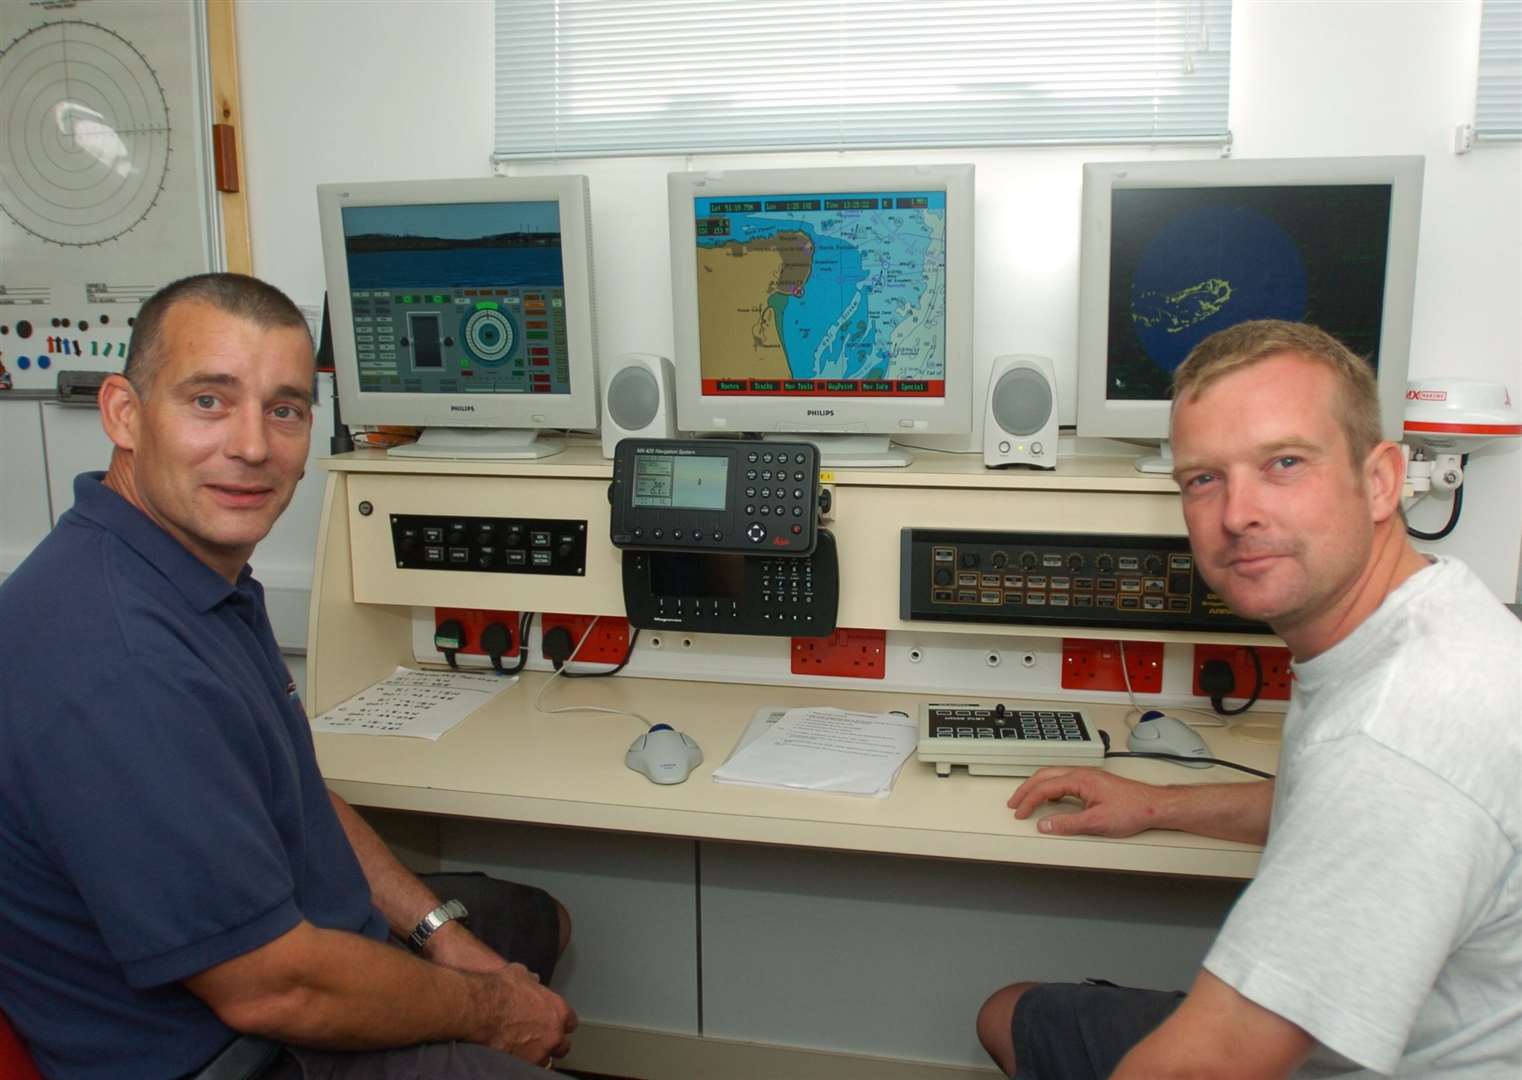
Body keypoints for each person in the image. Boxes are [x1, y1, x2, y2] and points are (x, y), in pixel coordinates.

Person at [0, 274, 579, 1079]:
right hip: (242, 1048)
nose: (252, 446)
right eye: (209, 400)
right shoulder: (120, 659)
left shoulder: (180, 570)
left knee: (533, 922)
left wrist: (444, 936)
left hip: (296, 950)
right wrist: (493, 1012)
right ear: (124, 415)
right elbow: (275, 990)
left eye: (284, 409)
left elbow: (300, 796)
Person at [975, 320, 1522, 1079]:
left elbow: (1210, 1064)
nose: (1237, 514)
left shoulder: (1397, 738)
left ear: (1382, 481)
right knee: (1013, 1012)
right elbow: (1320, 806)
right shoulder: (1422, 619)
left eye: (1284, 463)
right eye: (1204, 479)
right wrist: (1156, 803)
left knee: (1016, 1014)